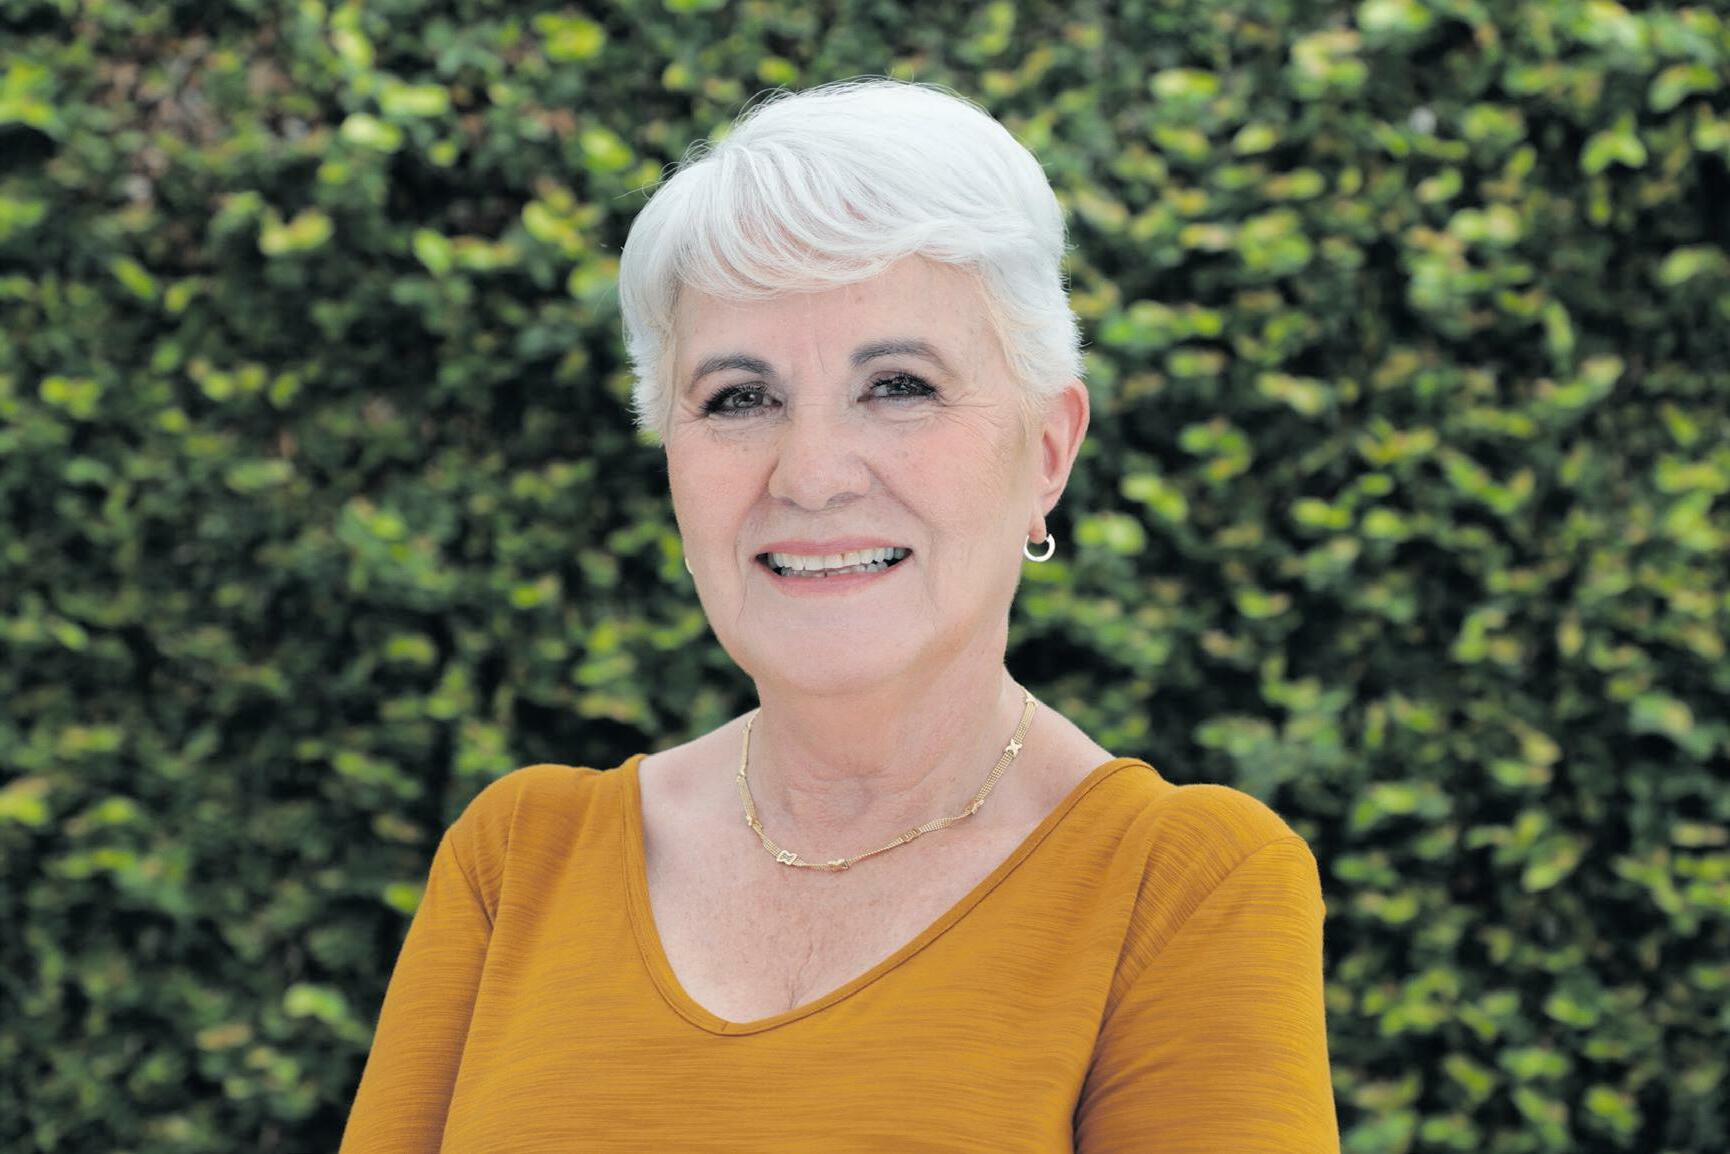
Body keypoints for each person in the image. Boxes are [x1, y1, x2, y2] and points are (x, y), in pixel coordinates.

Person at [339, 76, 1339, 1152]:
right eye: (739, 397)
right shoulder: (517, 862)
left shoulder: (1180, 887)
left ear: (1048, 450)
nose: (810, 474)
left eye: (898, 385)